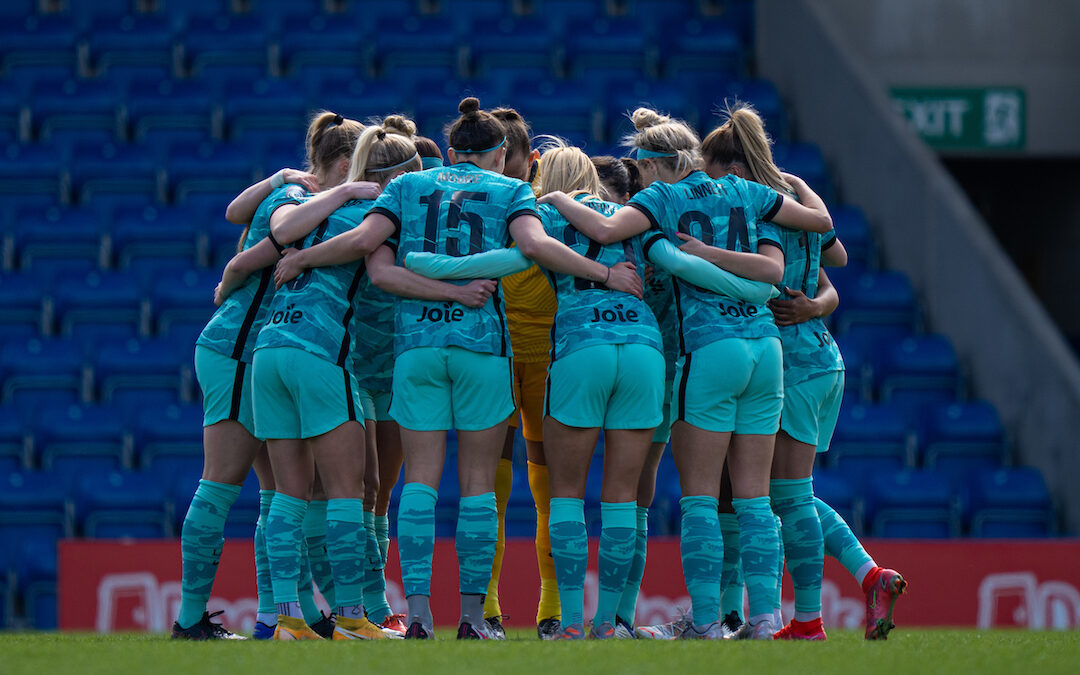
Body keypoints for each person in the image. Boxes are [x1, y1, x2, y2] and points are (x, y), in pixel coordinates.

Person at [271, 97, 642, 640]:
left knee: (418, 481)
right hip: (482, 348)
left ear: (448, 151)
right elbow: (535, 248)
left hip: (417, 348)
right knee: (476, 486)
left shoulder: (406, 187)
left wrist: (303, 256)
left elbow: (365, 246)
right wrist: (605, 277)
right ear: (500, 155)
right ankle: (472, 618)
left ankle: (418, 616)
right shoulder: (513, 190)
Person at [539, 106, 832, 640]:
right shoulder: (743, 190)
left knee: (699, 496)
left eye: (640, 167)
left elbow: (606, 227)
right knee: (753, 497)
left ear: (654, 164)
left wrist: (557, 198)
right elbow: (819, 226)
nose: (639, 177)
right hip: (766, 348)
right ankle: (766, 619)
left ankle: (704, 622)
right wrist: (795, 186)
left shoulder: (660, 199)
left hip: (708, 346)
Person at [702, 104, 906, 641]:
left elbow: (796, 270)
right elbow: (831, 260)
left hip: (785, 362)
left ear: (733, 169)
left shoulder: (749, 210)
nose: (711, 186)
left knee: (782, 496)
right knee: (782, 493)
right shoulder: (793, 196)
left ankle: (809, 620)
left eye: (715, 173)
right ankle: (869, 576)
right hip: (823, 359)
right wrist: (819, 304)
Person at [171, 111, 364, 640]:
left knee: (280, 492)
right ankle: (190, 619)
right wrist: (232, 273)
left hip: (260, 352)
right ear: (345, 165)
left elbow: (236, 212)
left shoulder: (303, 196)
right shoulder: (297, 202)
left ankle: (284, 615)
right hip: (238, 347)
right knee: (221, 484)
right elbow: (254, 254)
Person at [485, 107, 559, 640]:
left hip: (550, 359)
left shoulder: (551, 214)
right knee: (487, 485)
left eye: (508, 158)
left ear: (529, 161)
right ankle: (486, 607)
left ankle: (551, 610)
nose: (500, 168)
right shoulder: (474, 206)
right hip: (495, 355)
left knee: (549, 487)